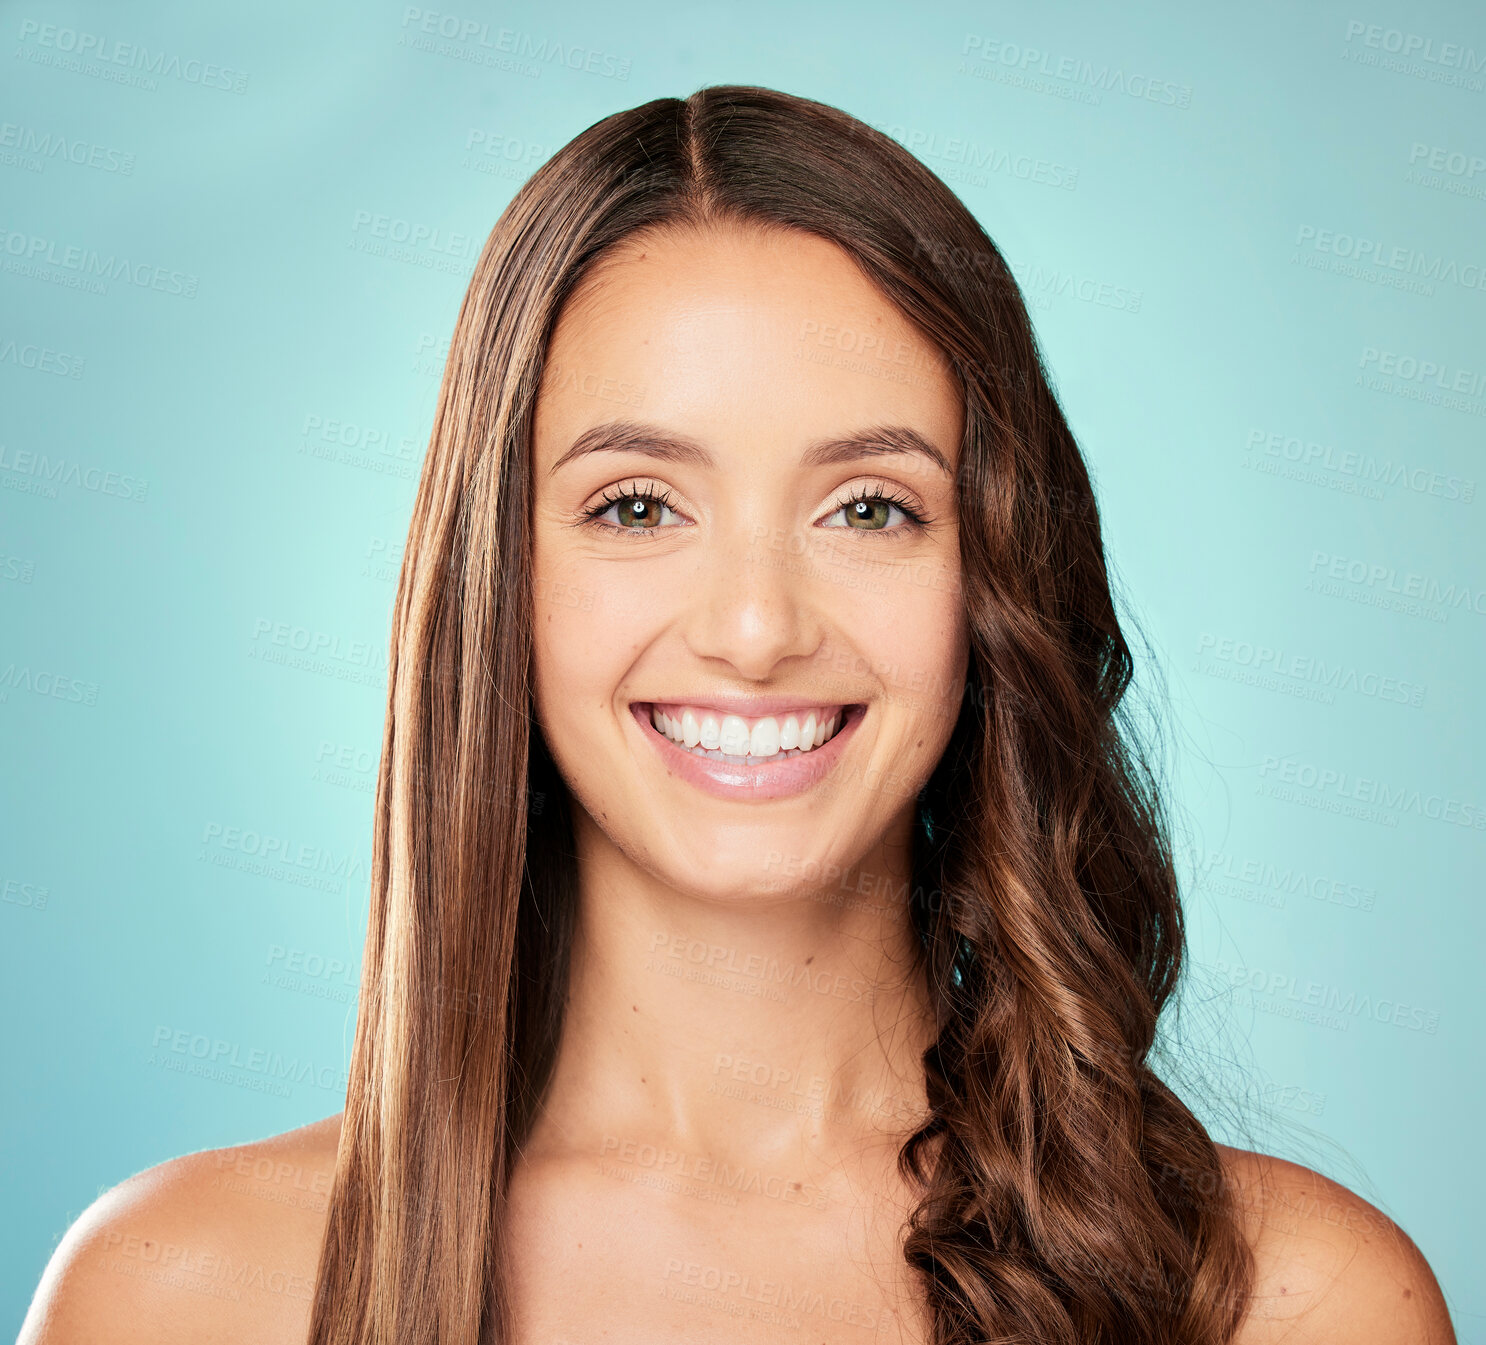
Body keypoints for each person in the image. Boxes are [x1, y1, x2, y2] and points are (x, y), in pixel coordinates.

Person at [19, 84, 1454, 1345]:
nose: (757, 629)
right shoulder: (177, 1295)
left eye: (869, 506)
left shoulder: (1284, 1303)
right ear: (496, 579)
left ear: (995, 578)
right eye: (636, 506)